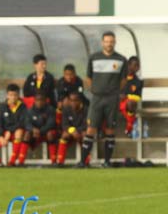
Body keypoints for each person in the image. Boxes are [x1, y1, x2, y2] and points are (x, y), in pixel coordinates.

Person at [80, 31, 128, 168]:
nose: (109, 44)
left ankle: (107, 162)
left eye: (111, 41)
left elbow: (123, 80)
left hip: (112, 98)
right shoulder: (94, 58)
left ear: (115, 42)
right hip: (97, 98)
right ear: (102, 42)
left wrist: (115, 91)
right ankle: (83, 162)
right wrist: (93, 90)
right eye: (106, 41)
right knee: (91, 128)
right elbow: (88, 77)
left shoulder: (121, 59)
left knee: (110, 129)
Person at [56, 90, 88, 166]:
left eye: (75, 100)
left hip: (81, 131)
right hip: (72, 132)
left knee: (85, 135)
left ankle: (85, 161)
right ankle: (60, 161)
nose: (73, 103)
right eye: (71, 101)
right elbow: (64, 124)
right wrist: (73, 131)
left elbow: (86, 125)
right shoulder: (66, 109)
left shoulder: (86, 110)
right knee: (64, 135)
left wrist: (78, 131)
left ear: (80, 101)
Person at [27, 90, 59, 164]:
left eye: (42, 100)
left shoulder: (50, 110)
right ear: (34, 101)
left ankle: (54, 161)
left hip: (46, 132)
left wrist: (40, 131)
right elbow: (27, 123)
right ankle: (20, 161)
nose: (39, 102)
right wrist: (33, 129)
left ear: (45, 101)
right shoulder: (30, 111)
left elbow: (51, 124)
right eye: (37, 100)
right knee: (26, 134)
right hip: (34, 133)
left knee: (50, 134)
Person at [55, 64, 87, 128]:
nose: (69, 76)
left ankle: (83, 125)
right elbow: (60, 95)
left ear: (74, 74)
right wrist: (67, 100)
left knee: (84, 104)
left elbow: (80, 93)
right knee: (61, 104)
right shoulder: (60, 82)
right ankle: (60, 125)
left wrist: (73, 100)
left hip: (77, 99)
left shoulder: (79, 81)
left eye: (71, 74)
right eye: (66, 74)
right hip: (66, 100)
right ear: (64, 74)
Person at [119, 56, 142, 136]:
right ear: (128, 65)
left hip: (128, 103)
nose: (136, 68)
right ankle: (103, 131)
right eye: (134, 65)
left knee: (131, 103)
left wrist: (127, 97)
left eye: (138, 66)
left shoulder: (138, 81)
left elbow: (138, 96)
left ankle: (129, 127)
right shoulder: (120, 78)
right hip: (117, 102)